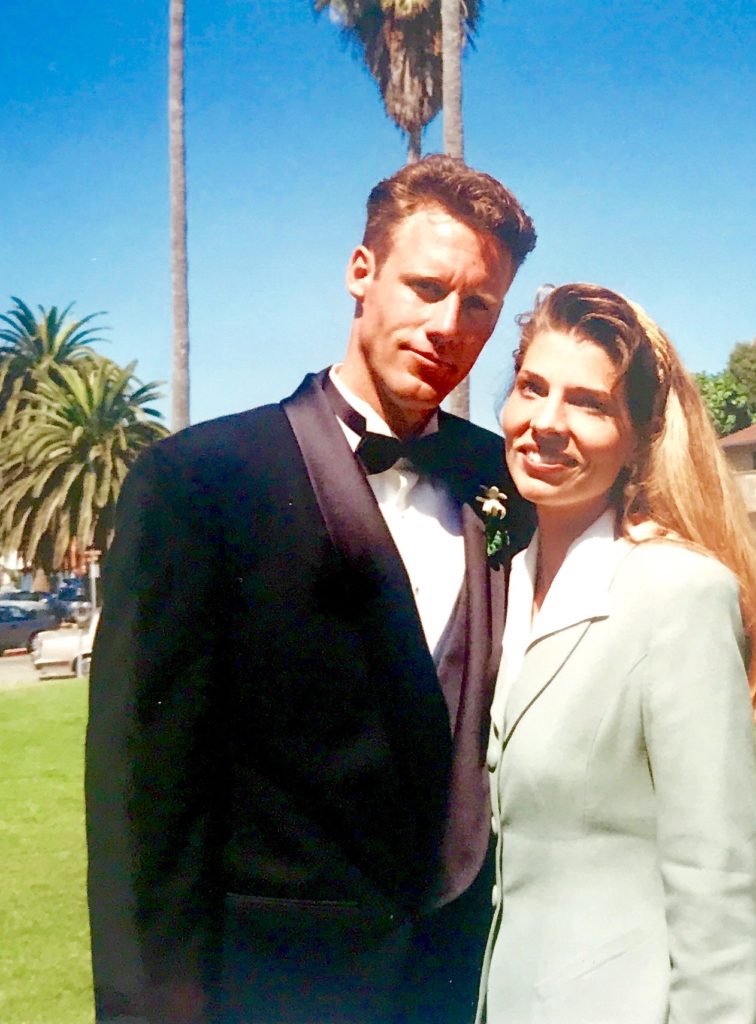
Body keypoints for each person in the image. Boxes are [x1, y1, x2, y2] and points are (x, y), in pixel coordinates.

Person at [85, 155, 536, 1024]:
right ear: (361, 272)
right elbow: (142, 797)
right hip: (271, 983)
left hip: (458, 980)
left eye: (478, 304)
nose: (448, 325)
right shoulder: (201, 481)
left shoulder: (506, 479)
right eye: (427, 287)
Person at [476, 283, 756, 1024]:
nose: (546, 423)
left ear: (641, 436)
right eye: (532, 387)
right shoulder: (497, 578)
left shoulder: (678, 594)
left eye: (589, 404)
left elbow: (717, 883)